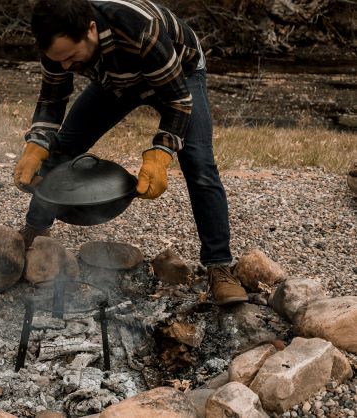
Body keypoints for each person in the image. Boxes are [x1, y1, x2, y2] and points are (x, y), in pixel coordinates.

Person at [13, 0, 247, 305]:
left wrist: (160, 155)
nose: (66, 66)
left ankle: (219, 267)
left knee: (199, 166)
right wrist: (36, 146)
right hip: (115, 81)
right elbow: (52, 99)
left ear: (91, 29)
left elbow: (178, 101)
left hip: (179, 75)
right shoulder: (56, 47)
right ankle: (33, 233)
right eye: (60, 60)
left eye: (71, 57)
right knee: (62, 149)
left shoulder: (140, 29)